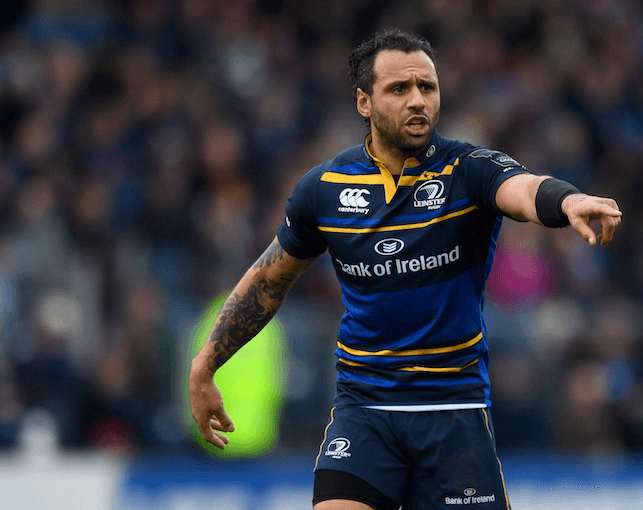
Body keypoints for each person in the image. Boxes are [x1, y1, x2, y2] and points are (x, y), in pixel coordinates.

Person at [189, 28, 621, 510]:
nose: (418, 100)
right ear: (364, 103)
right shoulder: (325, 188)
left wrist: (570, 200)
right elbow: (270, 280)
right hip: (364, 413)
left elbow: (523, 189)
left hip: (452, 415)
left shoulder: (467, 170)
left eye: (427, 87)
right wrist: (206, 364)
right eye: (399, 89)